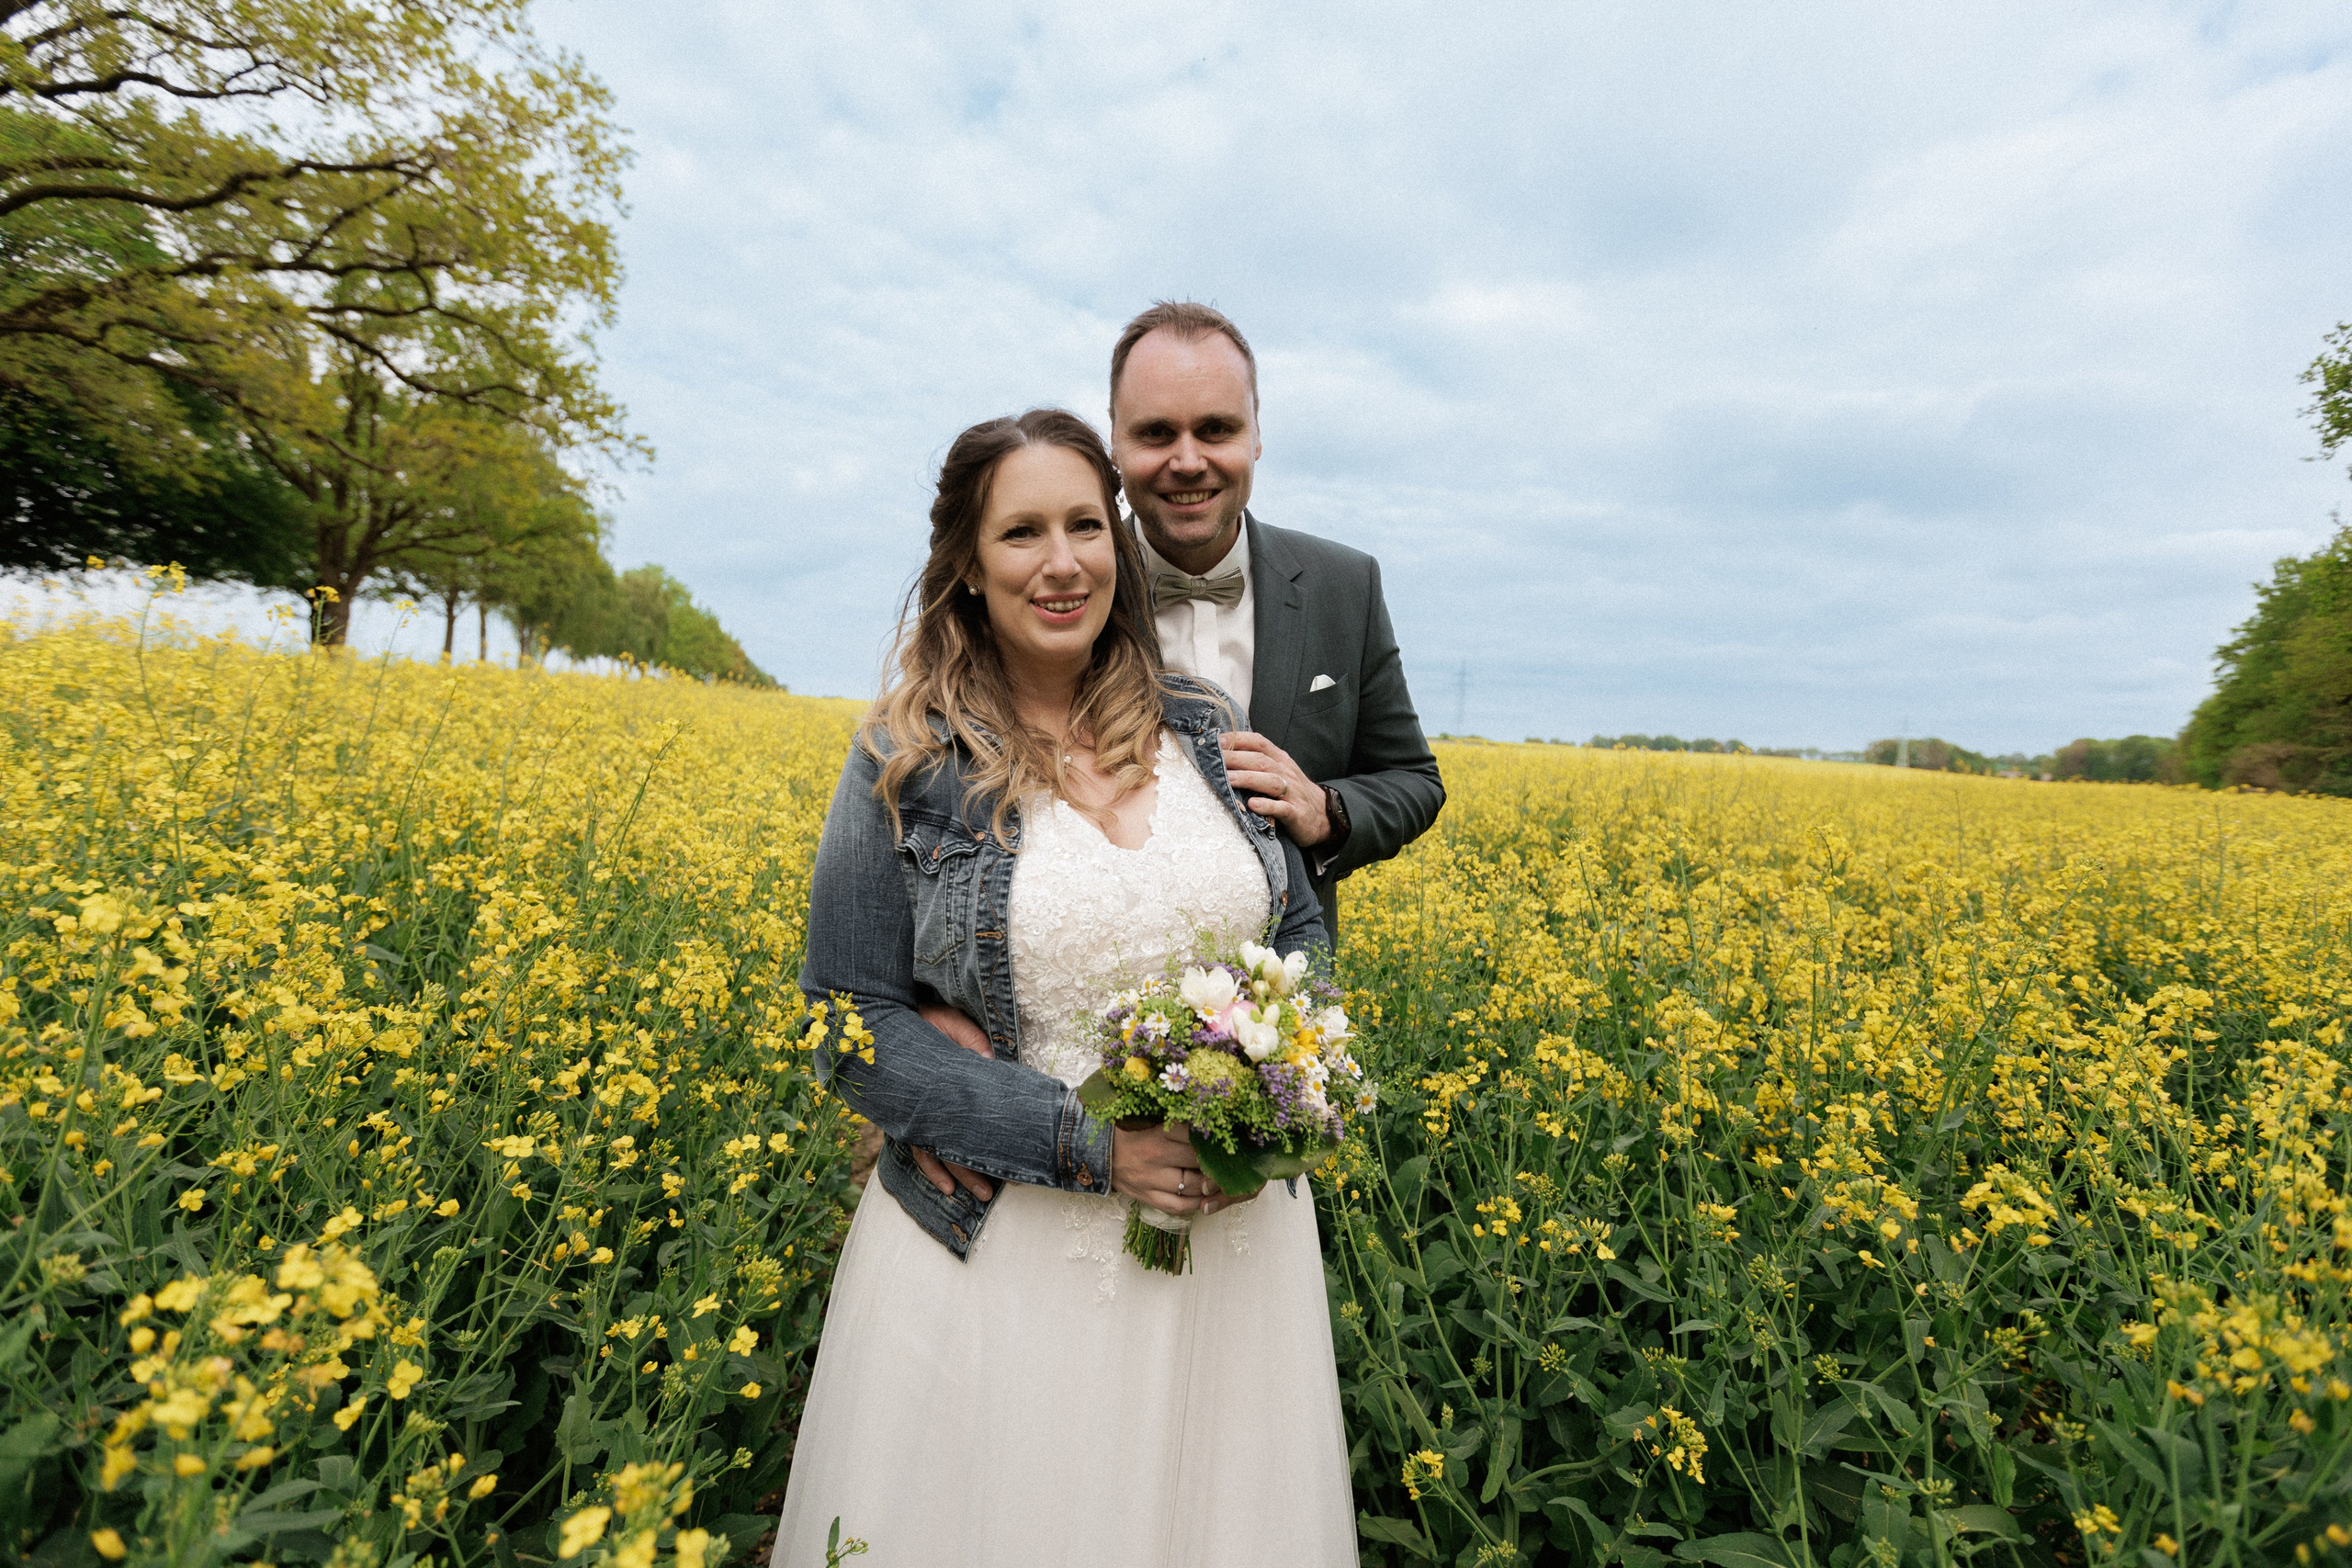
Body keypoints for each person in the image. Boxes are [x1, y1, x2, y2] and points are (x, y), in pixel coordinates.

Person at [771, 409, 1355, 1566]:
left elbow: (1294, 931)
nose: (1062, 563)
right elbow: (847, 1019)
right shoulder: (908, 757)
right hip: (1007, 1253)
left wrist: (1275, 1088)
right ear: (967, 565)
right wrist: (1094, 1144)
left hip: (1238, 1257)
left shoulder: (1205, 728)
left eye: (1086, 525)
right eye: (1021, 532)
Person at [898, 302, 1446, 1208]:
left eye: (1216, 429)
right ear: (1114, 445)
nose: (1187, 459)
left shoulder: (1344, 586)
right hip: (1039, 1109)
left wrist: (1327, 813)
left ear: (1257, 435)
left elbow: (1414, 779)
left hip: (1254, 1072)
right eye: (1156, 433)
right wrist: (920, 1037)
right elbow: (922, 820)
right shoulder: (1055, 579)